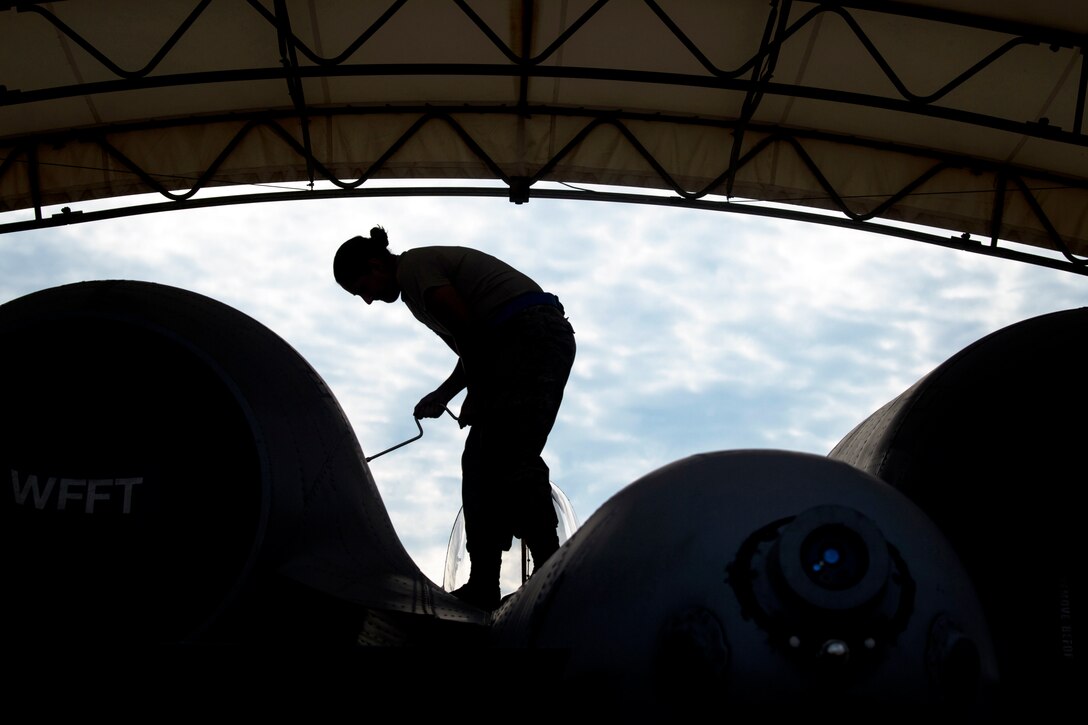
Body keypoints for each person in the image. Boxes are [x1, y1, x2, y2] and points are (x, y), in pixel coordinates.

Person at [333, 226, 576, 610]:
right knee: (480, 461)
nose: (367, 300)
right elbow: (474, 342)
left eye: (361, 287)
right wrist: (444, 394)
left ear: (375, 263)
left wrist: (476, 393)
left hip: (531, 336)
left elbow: (471, 331)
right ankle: (483, 583)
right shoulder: (416, 285)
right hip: (517, 340)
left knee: (508, 451)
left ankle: (552, 567)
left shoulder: (414, 270)